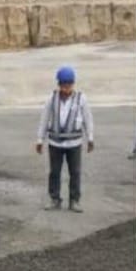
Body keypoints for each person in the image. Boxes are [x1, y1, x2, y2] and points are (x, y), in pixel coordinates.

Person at [36, 66, 94, 212]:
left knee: (75, 172)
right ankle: (54, 199)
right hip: (55, 143)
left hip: (74, 144)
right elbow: (44, 118)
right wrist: (39, 139)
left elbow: (88, 119)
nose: (66, 88)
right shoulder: (51, 98)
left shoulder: (81, 99)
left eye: (69, 84)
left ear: (73, 84)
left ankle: (74, 200)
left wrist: (90, 138)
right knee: (54, 172)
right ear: (59, 84)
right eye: (63, 84)